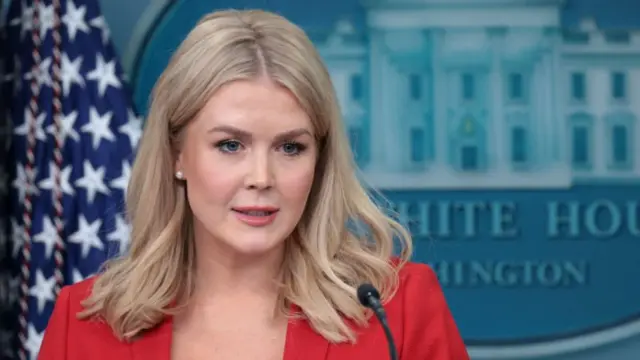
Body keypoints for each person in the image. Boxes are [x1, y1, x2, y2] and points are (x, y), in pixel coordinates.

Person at [37, 9, 469, 360]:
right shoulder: (83, 323)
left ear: (320, 159)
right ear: (177, 155)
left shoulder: (401, 308)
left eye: (290, 148)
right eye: (230, 145)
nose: (261, 178)